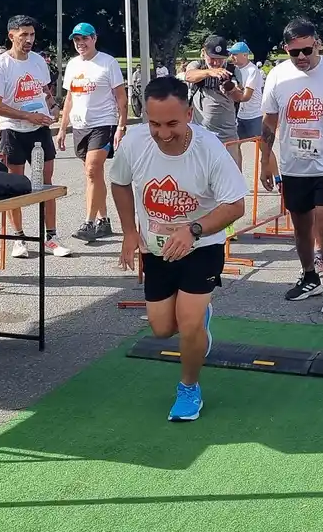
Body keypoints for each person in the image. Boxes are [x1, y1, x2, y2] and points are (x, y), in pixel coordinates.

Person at [111, 76, 247, 422]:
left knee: (187, 326)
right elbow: (120, 183)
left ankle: (189, 388)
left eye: (172, 123)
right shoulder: (135, 142)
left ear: (189, 113)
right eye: (154, 123)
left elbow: (235, 206)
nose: (163, 133)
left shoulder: (209, 148)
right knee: (160, 329)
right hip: (156, 249)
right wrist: (129, 231)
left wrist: (193, 230)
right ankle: (199, 324)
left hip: (201, 246)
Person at [259, 19, 323, 315]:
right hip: (294, 165)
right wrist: (266, 162)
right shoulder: (278, 76)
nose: (301, 57)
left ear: (317, 43)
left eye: (306, 50)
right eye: (294, 52)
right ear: (285, 49)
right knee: (301, 229)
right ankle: (309, 276)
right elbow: (269, 123)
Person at [0, 15, 67, 257]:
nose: (29, 39)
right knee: (16, 184)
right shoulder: (0, 66)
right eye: (24, 35)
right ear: (12, 35)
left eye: (32, 35)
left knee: (46, 182)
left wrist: (53, 107)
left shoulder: (38, 61)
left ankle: (51, 237)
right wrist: (26, 116)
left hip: (39, 130)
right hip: (13, 131)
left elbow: (44, 90)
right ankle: (19, 239)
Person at [57, 22, 127, 242]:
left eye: (85, 39)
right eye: (77, 40)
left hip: (103, 123)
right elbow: (69, 99)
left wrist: (121, 126)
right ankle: (103, 220)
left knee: (91, 170)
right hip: (80, 126)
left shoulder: (108, 63)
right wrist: (62, 129)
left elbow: (121, 98)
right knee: (94, 176)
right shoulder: (73, 64)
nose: (81, 44)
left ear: (94, 38)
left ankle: (88, 222)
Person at [184, 36, 243, 167]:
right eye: (212, 58)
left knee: (231, 175)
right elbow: (189, 76)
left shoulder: (233, 70)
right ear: (203, 52)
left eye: (220, 59)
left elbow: (241, 97)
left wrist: (231, 88)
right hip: (201, 136)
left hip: (228, 137)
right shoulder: (197, 65)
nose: (216, 63)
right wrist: (210, 72)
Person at [229, 41, 265, 155]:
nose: (232, 57)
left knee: (264, 148)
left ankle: (275, 173)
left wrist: (231, 92)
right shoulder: (235, 69)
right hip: (241, 115)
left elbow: (246, 97)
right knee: (235, 145)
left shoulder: (252, 70)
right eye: (231, 54)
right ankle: (237, 172)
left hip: (255, 115)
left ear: (245, 55)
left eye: (235, 54)